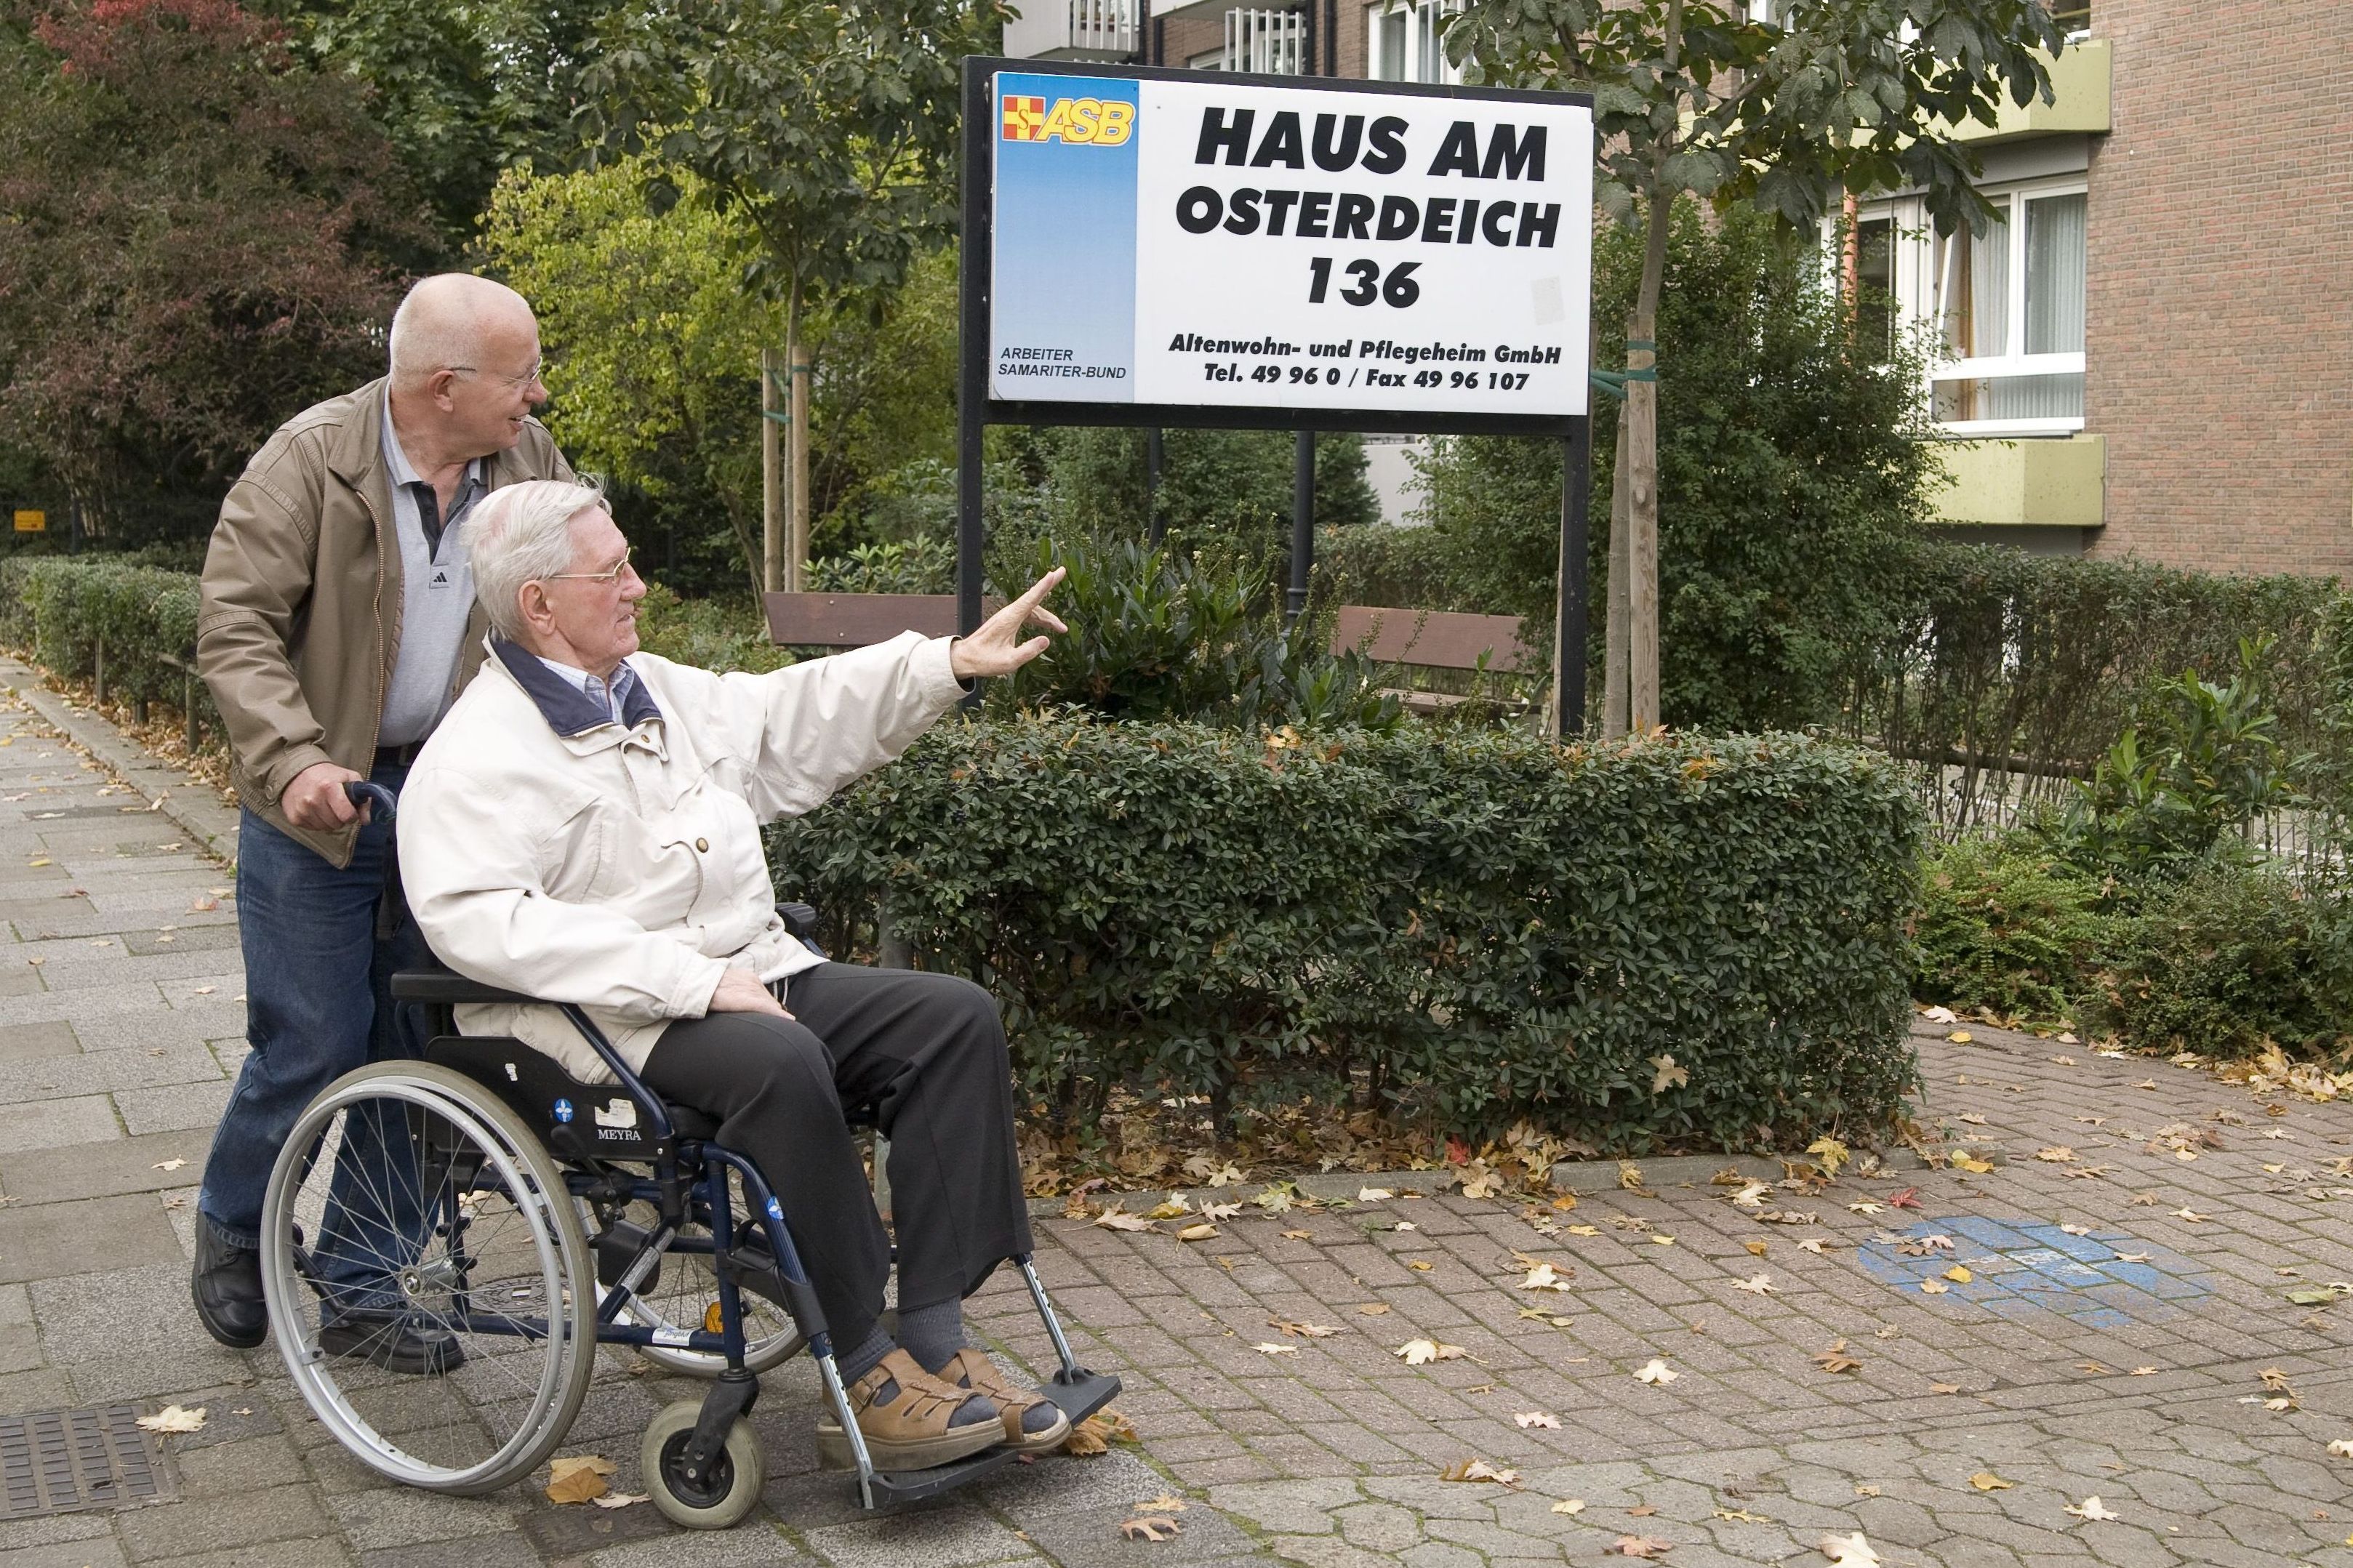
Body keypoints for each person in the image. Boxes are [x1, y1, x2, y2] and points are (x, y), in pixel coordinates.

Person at [397, 480, 1073, 1471]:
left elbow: (788, 715)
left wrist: (947, 666)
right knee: (781, 1059)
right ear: (539, 603)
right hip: (596, 1019)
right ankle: (869, 1369)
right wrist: (686, 978)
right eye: (612, 569)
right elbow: (481, 922)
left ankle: (935, 1340)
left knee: (952, 1018)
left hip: (739, 972)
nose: (638, 583)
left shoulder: (652, 691)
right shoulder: (474, 756)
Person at [191, 275, 574, 1367]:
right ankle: (232, 1219)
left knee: (425, 1044)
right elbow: (236, 626)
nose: (538, 394)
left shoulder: (528, 465)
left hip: (454, 799)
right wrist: (294, 758)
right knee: (309, 1040)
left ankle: (365, 1285)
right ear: (443, 385)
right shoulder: (310, 461)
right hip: (318, 796)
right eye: (520, 374)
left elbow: (583, 585)